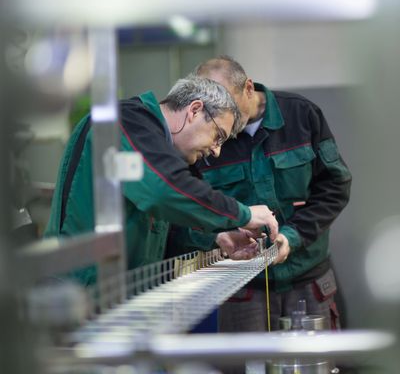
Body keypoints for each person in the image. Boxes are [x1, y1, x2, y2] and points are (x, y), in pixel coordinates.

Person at [167, 56, 352, 334]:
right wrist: (216, 238)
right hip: (241, 287)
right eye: (212, 107)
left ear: (249, 88)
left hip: (308, 277)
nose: (222, 114)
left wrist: (292, 237)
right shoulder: (202, 142)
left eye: (227, 101)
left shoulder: (302, 116)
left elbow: (335, 187)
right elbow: (186, 213)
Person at [45, 75, 278, 285]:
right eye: (218, 136)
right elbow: (162, 192)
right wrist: (244, 214)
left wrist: (217, 238)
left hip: (117, 295)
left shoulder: (157, 151)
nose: (216, 151)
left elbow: (155, 228)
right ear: (194, 110)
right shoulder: (122, 123)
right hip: (79, 294)